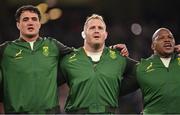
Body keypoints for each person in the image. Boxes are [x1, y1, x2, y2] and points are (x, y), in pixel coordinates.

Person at [0, 5, 128, 113]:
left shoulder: (52, 45)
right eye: (25, 19)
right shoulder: (6, 49)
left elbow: (79, 54)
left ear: (39, 23)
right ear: (18, 25)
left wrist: (107, 48)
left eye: (34, 19)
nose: (30, 22)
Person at [60, 14, 136, 114]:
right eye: (92, 28)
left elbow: (142, 71)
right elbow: (48, 80)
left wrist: (115, 89)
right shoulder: (68, 59)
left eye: (100, 28)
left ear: (105, 34)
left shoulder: (118, 58)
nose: (96, 30)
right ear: (83, 34)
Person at [120, 27, 180, 114]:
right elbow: (115, 90)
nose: (167, 40)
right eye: (161, 38)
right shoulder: (142, 67)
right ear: (153, 46)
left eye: (170, 37)